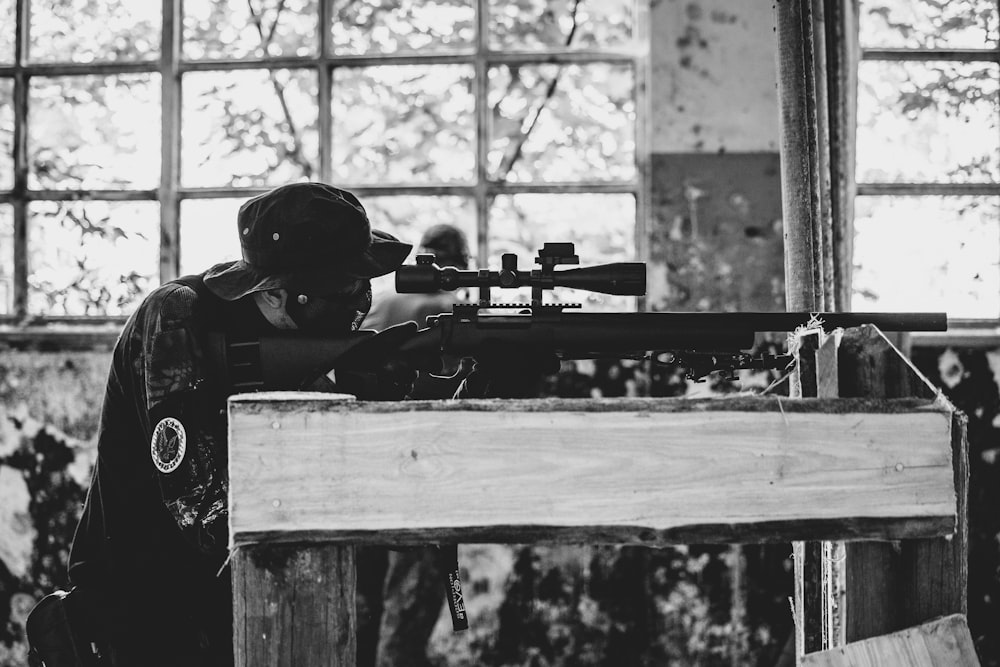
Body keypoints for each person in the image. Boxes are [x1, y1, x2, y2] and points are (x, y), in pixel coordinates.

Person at [61, 183, 414, 667]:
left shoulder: (300, 336)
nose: (358, 304)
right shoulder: (175, 317)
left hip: (228, 604)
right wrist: (322, 397)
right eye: (342, 290)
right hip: (142, 612)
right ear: (271, 294)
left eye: (363, 285)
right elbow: (204, 513)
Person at [357, 224, 471, 667]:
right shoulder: (450, 311)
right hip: (420, 478)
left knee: (362, 606)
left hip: (363, 473)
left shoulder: (380, 301)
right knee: (407, 618)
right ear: (460, 264)